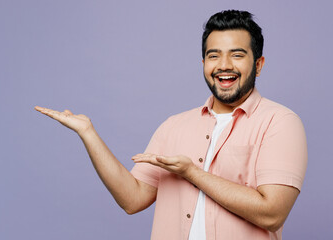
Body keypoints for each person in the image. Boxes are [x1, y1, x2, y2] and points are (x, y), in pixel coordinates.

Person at [35, 10, 307, 240]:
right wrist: (88, 134)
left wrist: (191, 172)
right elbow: (133, 199)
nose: (224, 65)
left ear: (258, 65)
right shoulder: (173, 126)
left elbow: (271, 213)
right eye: (214, 56)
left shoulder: (280, 123)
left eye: (237, 55)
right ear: (203, 63)